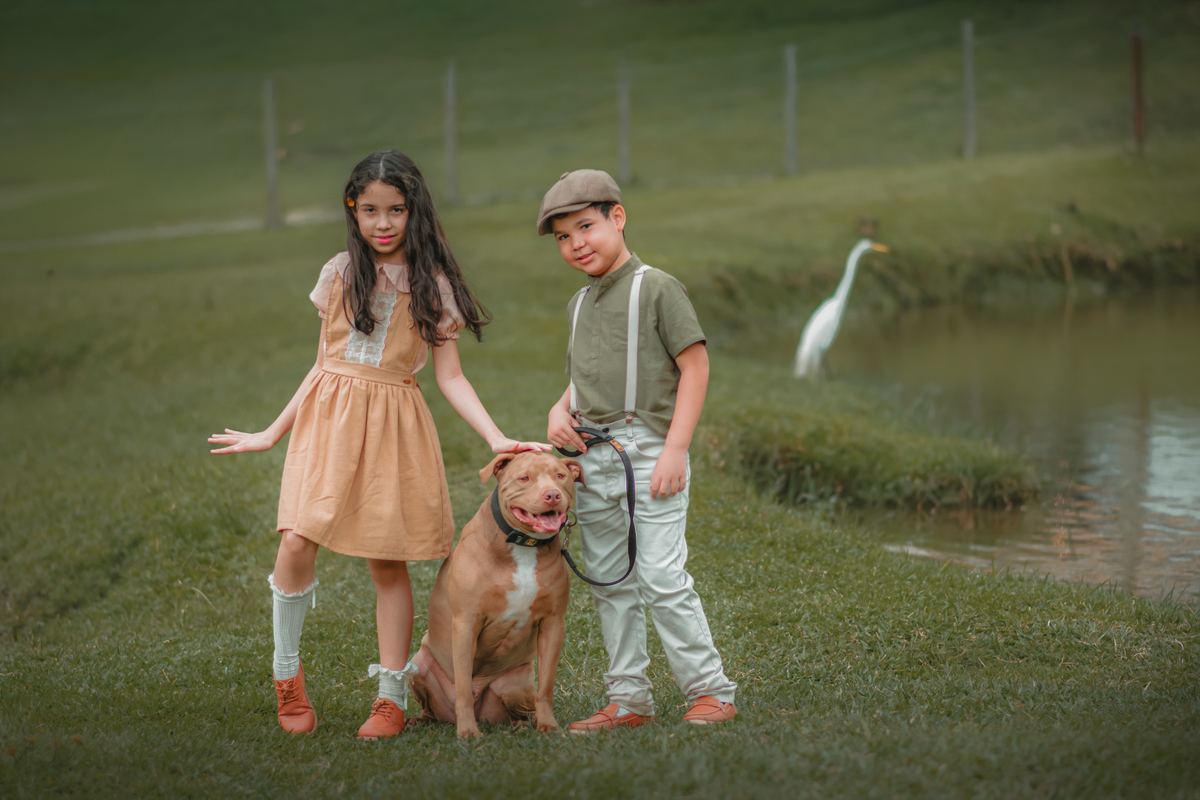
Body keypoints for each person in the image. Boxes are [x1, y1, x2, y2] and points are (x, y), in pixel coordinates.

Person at [210, 150, 547, 738]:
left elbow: (451, 377)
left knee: (387, 562)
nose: (383, 222)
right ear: (353, 210)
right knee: (295, 541)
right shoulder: (340, 272)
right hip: (329, 422)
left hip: (394, 423)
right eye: (370, 210)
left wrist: (496, 436)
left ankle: (390, 696)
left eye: (395, 210)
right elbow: (322, 365)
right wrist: (271, 431)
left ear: (414, 212)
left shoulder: (431, 285)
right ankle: (286, 677)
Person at [540, 169, 738, 730]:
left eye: (586, 226)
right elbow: (584, 377)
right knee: (609, 579)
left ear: (617, 218)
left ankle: (711, 691)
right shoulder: (580, 302)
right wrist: (560, 411)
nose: (577, 243)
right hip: (593, 457)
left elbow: (694, 368)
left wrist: (676, 448)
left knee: (661, 575)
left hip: (651, 451)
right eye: (562, 236)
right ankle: (630, 699)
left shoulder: (658, 288)